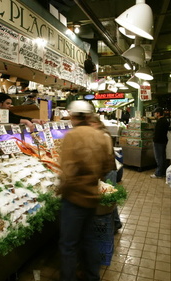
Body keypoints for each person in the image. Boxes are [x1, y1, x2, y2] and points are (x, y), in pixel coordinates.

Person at [57, 101, 111, 281]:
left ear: (73, 116)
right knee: (89, 240)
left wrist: (62, 188)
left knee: (68, 245)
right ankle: (92, 276)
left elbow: (67, 170)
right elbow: (107, 166)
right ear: (88, 116)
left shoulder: (71, 136)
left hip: (74, 198)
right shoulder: (100, 136)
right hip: (92, 196)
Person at [90, 115, 122, 232]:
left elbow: (106, 154)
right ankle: (116, 223)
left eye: (91, 124)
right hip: (106, 171)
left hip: (108, 171)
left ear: (97, 123)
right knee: (109, 199)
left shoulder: (103, 135)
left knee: (109, 199)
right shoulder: (98, 134)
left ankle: (116, 223)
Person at [151, 107, 170, 178]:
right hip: (164, 141)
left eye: (155, 113)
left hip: (158, 142)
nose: (154, 114)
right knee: (163, 157)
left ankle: (158, 173)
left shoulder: (159, 121)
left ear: (158, 113)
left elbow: (157, 133)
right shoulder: (166, 121)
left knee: (159, 158)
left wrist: (154, 139)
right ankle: (163, 172)